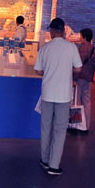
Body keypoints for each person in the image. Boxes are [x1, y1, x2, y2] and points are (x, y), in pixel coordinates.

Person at [34, 17, 82, 176]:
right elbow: (78, 68)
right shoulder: (71, 48)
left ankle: (44, 160)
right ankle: (54, 166)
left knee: (46, 127)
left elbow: (38, 71)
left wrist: (49, 71)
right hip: (64, 95)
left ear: (52, 31)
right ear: (63, 31)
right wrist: (68, 73)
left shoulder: (45, 49)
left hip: (47, 93)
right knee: (60, 130)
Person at [75, 28, 95, 133]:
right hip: (88, 79)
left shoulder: (81, 49)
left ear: (84, 37)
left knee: (78, 101)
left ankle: (78, 124)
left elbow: (78, 65)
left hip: (80, 78)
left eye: (81, 36)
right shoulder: (94, 50)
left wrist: (74, 78)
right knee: (87, 101)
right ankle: (86, 126)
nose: (80, 38)